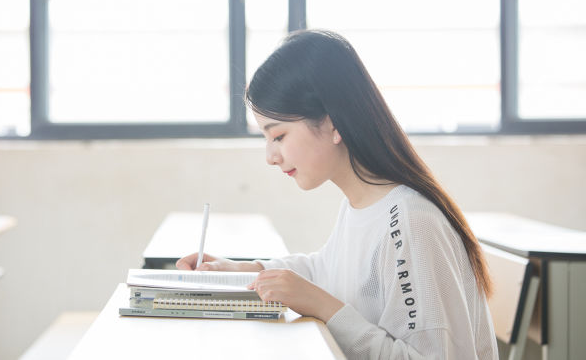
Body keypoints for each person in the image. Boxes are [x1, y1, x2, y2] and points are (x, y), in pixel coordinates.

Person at [177, 29, 498, 359]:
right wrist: (241, 269)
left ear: (333, 125)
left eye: (279, 136)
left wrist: (323, 306)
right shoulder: (362, 205)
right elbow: (324, 271)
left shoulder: (410, 222)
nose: (271, 157)